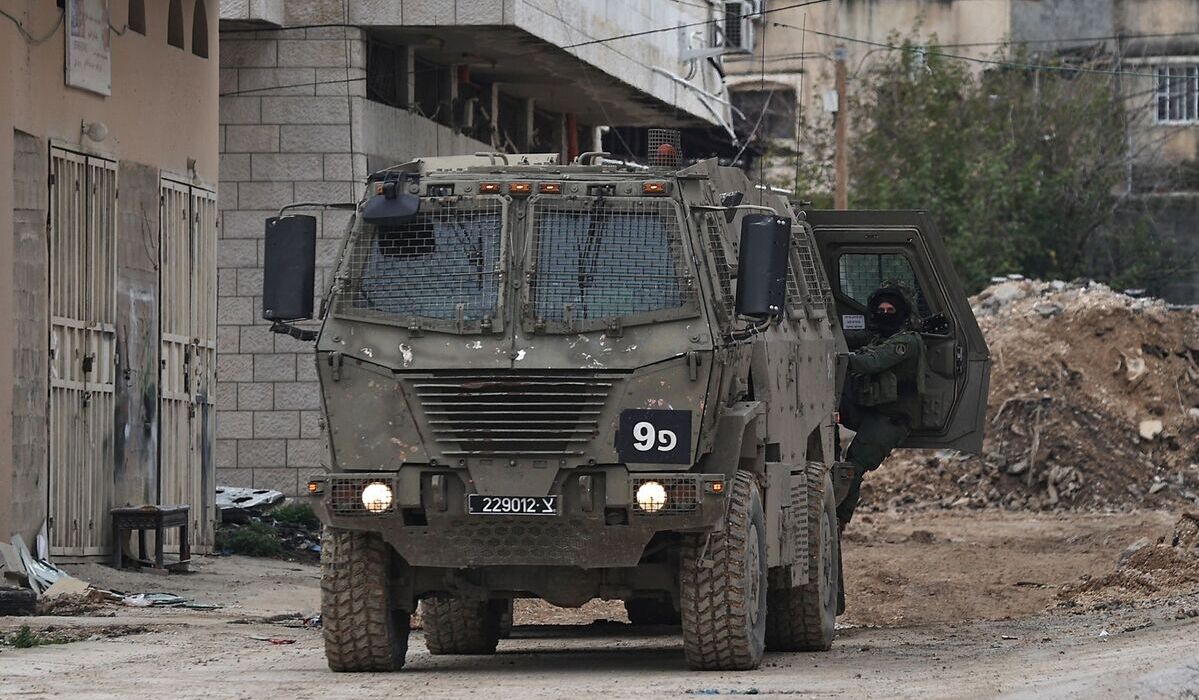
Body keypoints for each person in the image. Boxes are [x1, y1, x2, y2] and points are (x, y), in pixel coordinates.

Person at [837, 281, 926, 528]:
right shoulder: (880, 336)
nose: (885, 315)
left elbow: (872, 363)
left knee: (853, 467)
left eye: (891, 311)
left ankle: (838, 521)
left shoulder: (906, 342)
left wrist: (839, 357)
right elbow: (846, 338)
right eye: (882, 310)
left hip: (892, 418)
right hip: (872, 412)